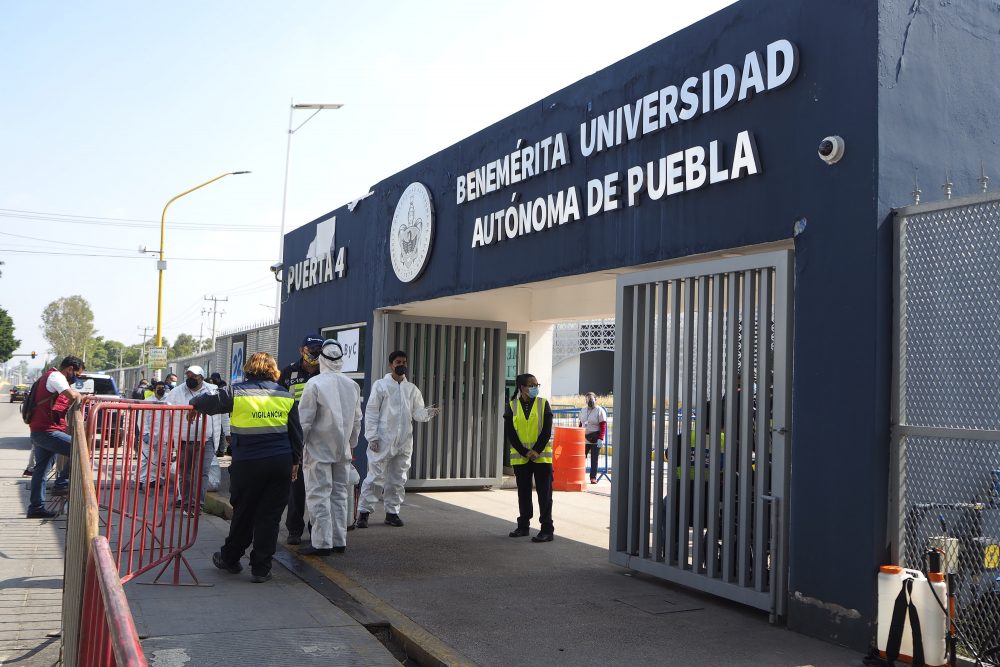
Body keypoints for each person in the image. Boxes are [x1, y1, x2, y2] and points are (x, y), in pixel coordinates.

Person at [189, 352, 294, 583]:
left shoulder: (236, 392)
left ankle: (230, 557)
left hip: (249, 463)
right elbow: (295, 433)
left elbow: (208, 402)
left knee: (244, 512)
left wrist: (194, 403)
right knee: (270, 517)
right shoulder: (285, 396)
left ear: (248, 368)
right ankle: (261, 568)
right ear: (272, 369)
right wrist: (295, 462)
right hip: (280, 462)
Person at [357, 350, 439, 528]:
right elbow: (371, 412)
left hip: (404, 442)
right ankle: (364, 513)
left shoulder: (412, 389)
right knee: (375, 477)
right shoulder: (381, 385)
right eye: (398, 362)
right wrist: (372, 437)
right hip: (382, 440)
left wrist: (427, 413)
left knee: (398, 478)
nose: (401, 364)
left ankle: (392, 513)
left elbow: (417, 413)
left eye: (404, 361)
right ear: (390, 365)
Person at [297, 340, 362, 555]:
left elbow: (304, 421)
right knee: (339, 495)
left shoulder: (314, 384)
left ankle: (322, 543)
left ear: (322, 359)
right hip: (342, 451)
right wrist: (351, 445)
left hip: (318, 450)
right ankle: (339, 540)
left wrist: (298, 449)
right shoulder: (352, 385)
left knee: (319, 496)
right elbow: (357, 421)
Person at [278, 335, 324, 545]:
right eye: (311, 348)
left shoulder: (327, 372)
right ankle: (294, 529)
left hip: (320, 436)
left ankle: (316, 526)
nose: (315, 353)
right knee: (296, 486)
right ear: (302, 350)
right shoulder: (288, 372)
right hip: (293, 435)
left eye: (318, 349)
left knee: (318, 486)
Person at [26, 356, 84, 519]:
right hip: (47, 430)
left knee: (41, 470)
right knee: (80, 449)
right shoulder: (56, 376)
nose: (76, 379)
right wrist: (79, 396)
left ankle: (35, 508)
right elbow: (71, 396)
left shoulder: (49, 376)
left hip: (41, 430)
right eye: (77, 375)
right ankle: (61, 483)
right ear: (70, 369)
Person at [163, 365, 220, 513]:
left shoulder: (213, 390)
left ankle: (197, 505)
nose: (190, 379)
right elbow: (167, 417)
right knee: (185, 473)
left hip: (205, 439)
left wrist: (226, 433)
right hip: (183, 439)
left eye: (194, 376)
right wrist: (167, 438)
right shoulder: (176, 393)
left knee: (201, 473)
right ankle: (186, 502)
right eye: (188, 376)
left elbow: (222, 415)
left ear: (201, 377)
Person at [504, 373, 554, 542]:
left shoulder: (543, 404)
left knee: (544, 494)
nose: (535, 388)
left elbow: (547, 431)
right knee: (524, 493)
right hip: (521, 458)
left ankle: (547, 529)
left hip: (541, 457)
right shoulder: (512, 406)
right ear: (522, 388)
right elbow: (510, 433)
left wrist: (537, 450)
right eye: (532, 385)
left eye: (536, 384)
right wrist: (525, 452)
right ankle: (523, 526)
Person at [136, 380, 169, 491]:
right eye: (159, 388)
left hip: (163, 435)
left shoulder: (169, 400)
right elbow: (142, 419)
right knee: (146, 458)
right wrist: (144, 433)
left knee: (160, 458)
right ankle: (141, 480)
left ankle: (155, 479)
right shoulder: (148, 401)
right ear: (154, 389)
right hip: (149, 434)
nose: (161, 390)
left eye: (163, 388)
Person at [578, 392, 608, 484]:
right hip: (584, 439)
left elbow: (603, 425)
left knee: (594, 460)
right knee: (581, 458)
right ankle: (579, 475)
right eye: (588, 399)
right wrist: (578, 434)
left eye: (591, 399)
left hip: (595, 439)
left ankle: (593, 477)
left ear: (595, 399)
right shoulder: (583, 410)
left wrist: (601, 438)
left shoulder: (600, 410)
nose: (590, 401)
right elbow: (581, 423)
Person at [208, 372, 232, 457]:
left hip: (222, 409)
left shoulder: (223, 387)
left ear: (218, 379)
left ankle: (221, 450)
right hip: (219, 410)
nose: (213, 381)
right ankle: (219, 449)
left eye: (214, 379)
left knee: (221, 431)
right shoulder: (214, 386)